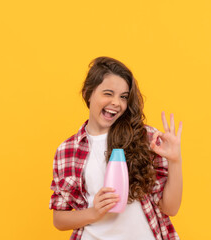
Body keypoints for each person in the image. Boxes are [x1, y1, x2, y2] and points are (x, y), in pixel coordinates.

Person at [49, 56, 183, 240]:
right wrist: (95, 212)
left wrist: (175, 160)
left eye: (123, 97)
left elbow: (171, 208)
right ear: (89, 93)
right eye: (108, 93)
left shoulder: (145, 138)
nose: (116, 103)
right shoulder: (67, 150)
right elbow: (59, 219)